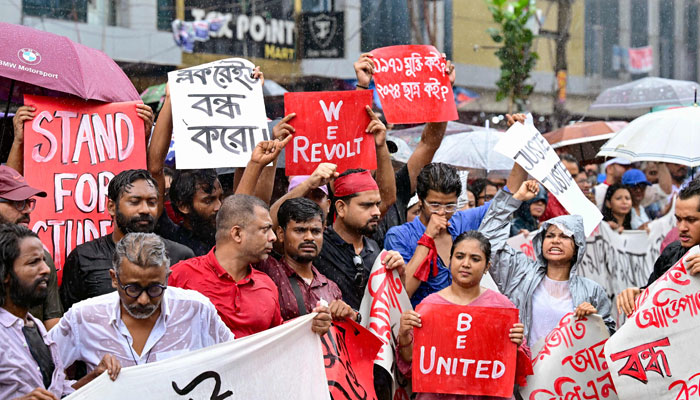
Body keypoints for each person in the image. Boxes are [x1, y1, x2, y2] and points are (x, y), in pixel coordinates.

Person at [50, 233, 232, 373]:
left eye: (154, 289)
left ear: (167, 278)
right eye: (133, 289)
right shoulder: (84, 317)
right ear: (114, 279)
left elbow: (234, 362)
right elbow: (43, 374)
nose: (144, 300)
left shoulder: (196, 310)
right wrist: (90, 380)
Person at [169, 193, 332, 337]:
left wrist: (311, 326)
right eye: (265, 229)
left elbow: (277, 344)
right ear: (237, 234)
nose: (273, 237)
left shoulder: (267, 286)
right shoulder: (180, 277)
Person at [396, 231, 532, 399]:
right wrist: (403, 335)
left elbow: (517, 370)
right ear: (450, 259)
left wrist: (516, 346)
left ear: (487, 267)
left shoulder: (502, 308)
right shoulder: (429, 307)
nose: (466, 264)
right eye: (460, 256)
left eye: (475, 259)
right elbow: (411, 363)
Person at [479, 180, 615, 346]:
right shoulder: (521, 273)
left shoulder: (592, 291)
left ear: (577, 245)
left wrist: (593, 322)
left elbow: (609, 340)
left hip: (567, 371)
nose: (555, 241)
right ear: (540, 243)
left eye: (564, 236)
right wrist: (515, 198)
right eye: (550, 236)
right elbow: (488, 242)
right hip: (523, 369)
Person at [0, 225, 118, 400]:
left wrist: (95, 376)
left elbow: (58, 392)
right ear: (5, 274)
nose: (46, 269)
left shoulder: (36, 327)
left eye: (43, 260)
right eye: (33, 262)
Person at [385, 162, 524, 307]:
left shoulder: (461, 221)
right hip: (422, 324)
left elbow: (503, 203)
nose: (442, 212)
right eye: (434, 205)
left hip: (462, 322)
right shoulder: (399, 236)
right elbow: (404, 292)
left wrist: (523, 155)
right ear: (420, 200)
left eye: (450, 206)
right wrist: (427, 238)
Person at [353, 52, 455, 249]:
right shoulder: (342, 194)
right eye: (375, 148)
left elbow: (428, 143)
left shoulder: (400, 188)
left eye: (384, 151)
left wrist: (444, 91)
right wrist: (362, 87)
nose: (381, 157)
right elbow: (353, 138)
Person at [60, 170, 194, 311]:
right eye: (135, 202)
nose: (145, 210)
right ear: (112, 207)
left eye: (152, 202)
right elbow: (72, 322)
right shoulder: (83, 257)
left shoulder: (181, 256)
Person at [314, 169, 406, 311]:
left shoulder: (376, 251)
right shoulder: (318, 247)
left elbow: (390, 309)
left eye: (377, 204)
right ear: (341, 208)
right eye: (367, 205)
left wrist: (399, 276)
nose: (376, 212)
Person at [255, 197, 357, 321]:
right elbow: (247, 220)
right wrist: (307, 185)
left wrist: (349, 316)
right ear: (281, 234)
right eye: (300, 230)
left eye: (316, 231)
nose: (309, 237)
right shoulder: (266, 270)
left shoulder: (331, 288)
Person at [617, 178, 700, 315]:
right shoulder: (671, 253)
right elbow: (655, 294)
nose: (682, 227)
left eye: (691, 220)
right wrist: (638, 293)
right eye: (678, 219)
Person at [0, 165, 62, 330]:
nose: (28, 210)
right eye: (18, 202)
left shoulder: (41, 258)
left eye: (29, 202)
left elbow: (52, 322)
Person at [539, 153, 579, 221]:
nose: (570, 180)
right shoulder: (543, 200)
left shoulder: (581, 199)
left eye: (574, 176)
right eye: (566, 175)